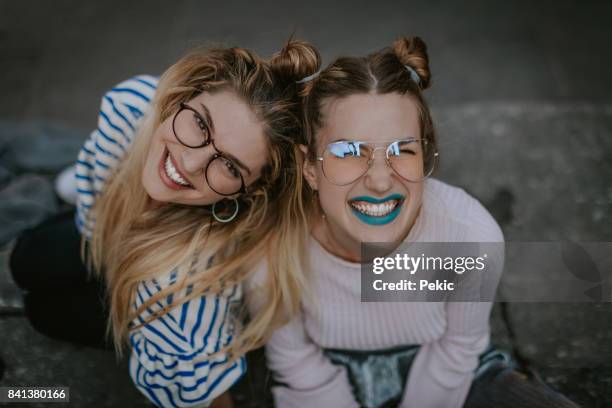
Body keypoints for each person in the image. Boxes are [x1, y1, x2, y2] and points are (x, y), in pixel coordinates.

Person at [245, 37, 580, 407]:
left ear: (424, 155)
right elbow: (294, 360)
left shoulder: (468, 236)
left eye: (402, 150)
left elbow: (460, 345)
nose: (380, 179)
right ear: (310, 166)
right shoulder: (273, 246)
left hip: (447, 366)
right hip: (322, 375)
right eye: (348, 151)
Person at [10, 40, 320, 408]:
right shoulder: (132, 109)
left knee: (44, 313)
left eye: (230, 166)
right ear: (181, 97)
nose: (189, 164)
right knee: (27, 259)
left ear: (247, 193)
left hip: (159, 294)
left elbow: (206, 399)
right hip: (108, 230)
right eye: (201, 123)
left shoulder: (186, 297)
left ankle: (141, 328)